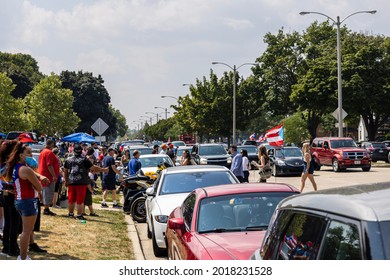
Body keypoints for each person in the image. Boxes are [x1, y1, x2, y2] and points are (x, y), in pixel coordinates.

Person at [5, 143, 43, 260]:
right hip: (27, 201)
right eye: (29, 153)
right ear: (21, 155)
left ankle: (23, 256)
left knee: (25, 230)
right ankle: (23, 257)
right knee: (26, 231)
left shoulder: (16, 167)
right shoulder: (26, 169)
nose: (31, 155)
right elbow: (39, 187)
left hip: (20, 200)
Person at [64, 144, 108, 220]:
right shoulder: (84, 159)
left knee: (71, 200)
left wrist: (66, 180)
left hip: (71, 182)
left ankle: (70, 214)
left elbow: (65, 171)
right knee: (80, 201)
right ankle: (79, 215)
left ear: (73, 151)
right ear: (81, 151)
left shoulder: (68, 159)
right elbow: (93, 168)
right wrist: (103, 170)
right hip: (81, 182)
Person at [38, 139, 60, 216]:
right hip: (48, 176)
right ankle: (46, 209)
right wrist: (54, 175)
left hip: (44, 174)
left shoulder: (43, 151)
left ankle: (46, 208)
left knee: (46, 191)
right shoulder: (49, 152)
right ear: (51, 144)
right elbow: (49, 165)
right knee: (48, 192)